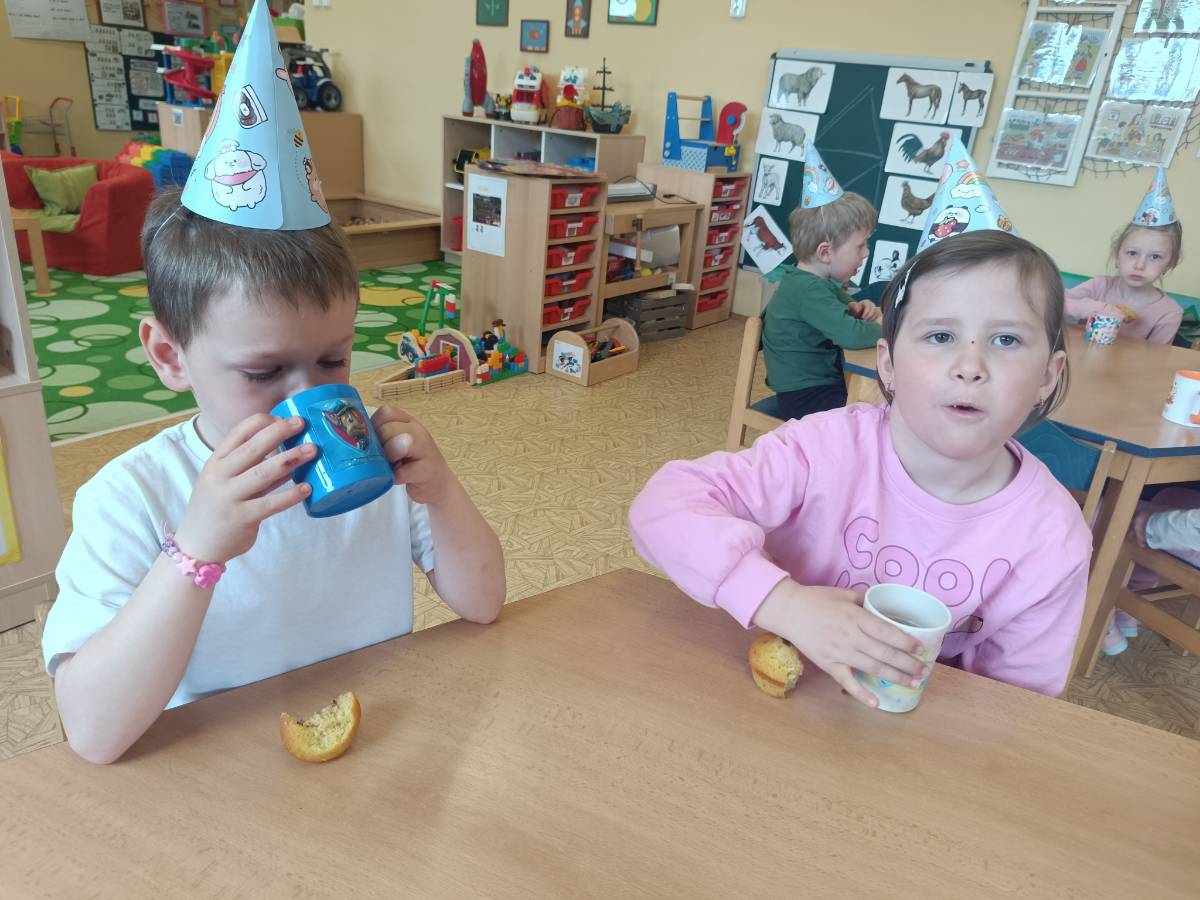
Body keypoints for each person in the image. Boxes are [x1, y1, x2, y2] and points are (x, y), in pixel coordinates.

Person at [42, 1, 504, 764]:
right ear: (169, 356)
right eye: (262, 371)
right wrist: (196, 551)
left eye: (333, 361)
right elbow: (93, 734)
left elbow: (483, 603)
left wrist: (442, 492)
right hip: (219, 779)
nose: (305, 395)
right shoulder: (131, 498)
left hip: (373, 749)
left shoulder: (372, 466)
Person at [631, 230, 1091, 703]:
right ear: (887, 364)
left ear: (1047, 376)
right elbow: (664, 505)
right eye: (940, 336)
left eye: (1007, 339)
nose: (970, 365)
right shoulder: (823, 449)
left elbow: (1018, 707)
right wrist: (783, 603)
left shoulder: (1053, 538)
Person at [761, 142, 881, 421]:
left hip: (814, 388)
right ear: (825, 252)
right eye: (860, 246)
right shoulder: (808, 289)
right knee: (874, 415)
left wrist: (856, 307)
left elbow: (841, 304)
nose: (866, 253)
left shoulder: (808, 280)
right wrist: (887, 330)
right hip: (806, 397)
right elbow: (851, 335)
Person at [1066, 167, 1185, 344]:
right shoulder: (1100, 286)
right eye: (1132, 253)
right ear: (1117, 255)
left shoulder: (1169, 312)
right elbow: (1056, 302)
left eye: (1155, 257)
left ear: (1170, 263)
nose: (1139, 265)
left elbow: (1157, 358)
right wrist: (1099, 308)